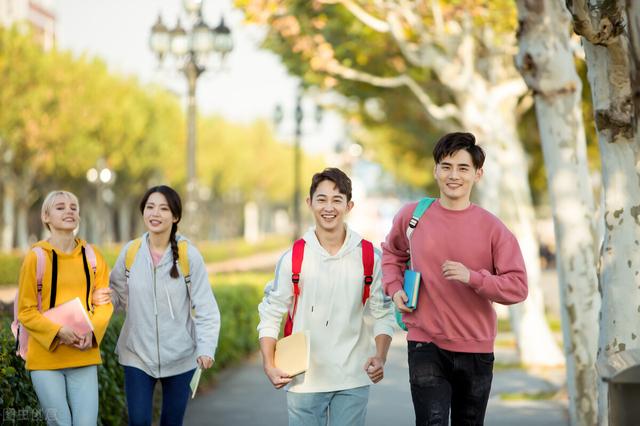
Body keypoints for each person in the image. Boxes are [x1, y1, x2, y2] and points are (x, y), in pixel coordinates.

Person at [382, 132, 528, 425]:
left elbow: (518, 287)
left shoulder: (493, 228)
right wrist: (395, 288)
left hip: (475, 348)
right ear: (435, 170)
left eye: (463, 168)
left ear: (478, 174)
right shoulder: (413, 216)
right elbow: (391, 254)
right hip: (425, 343)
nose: (454, 175)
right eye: (446, 166)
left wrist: (473, 278)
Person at [257, 167, 396, 426]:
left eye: (337, 200)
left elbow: (383, 312)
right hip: (302, 379)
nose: (328, 207)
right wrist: (269, 363)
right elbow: (271, 311)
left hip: (353, 377)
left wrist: (381, 356)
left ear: (349, 205)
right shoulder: (293, 258)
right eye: (321, 199)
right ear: (310, 203)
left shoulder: (369, 257)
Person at [92, 185, 220, 426]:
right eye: (150, 207)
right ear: (143, 212)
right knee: (138, 421)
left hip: (181, 356)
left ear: (175, 216)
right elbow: (118, 298)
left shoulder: (188, 256)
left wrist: (206, 348)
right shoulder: (131, 252)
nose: (155, 213)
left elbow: (206, 308)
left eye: (163, 208)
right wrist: (104, 298)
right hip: (137, 354)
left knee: (171, 423)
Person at [17, 190, 113, 426]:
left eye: (73, 207)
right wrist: (59, 331)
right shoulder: (36, 258)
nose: (69, 210)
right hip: (45, 360)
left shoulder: (92, 257)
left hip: (84, 356)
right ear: (46, 216)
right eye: (60, 207)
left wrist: (91, 332)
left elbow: (104, 305)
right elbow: (26, 311)